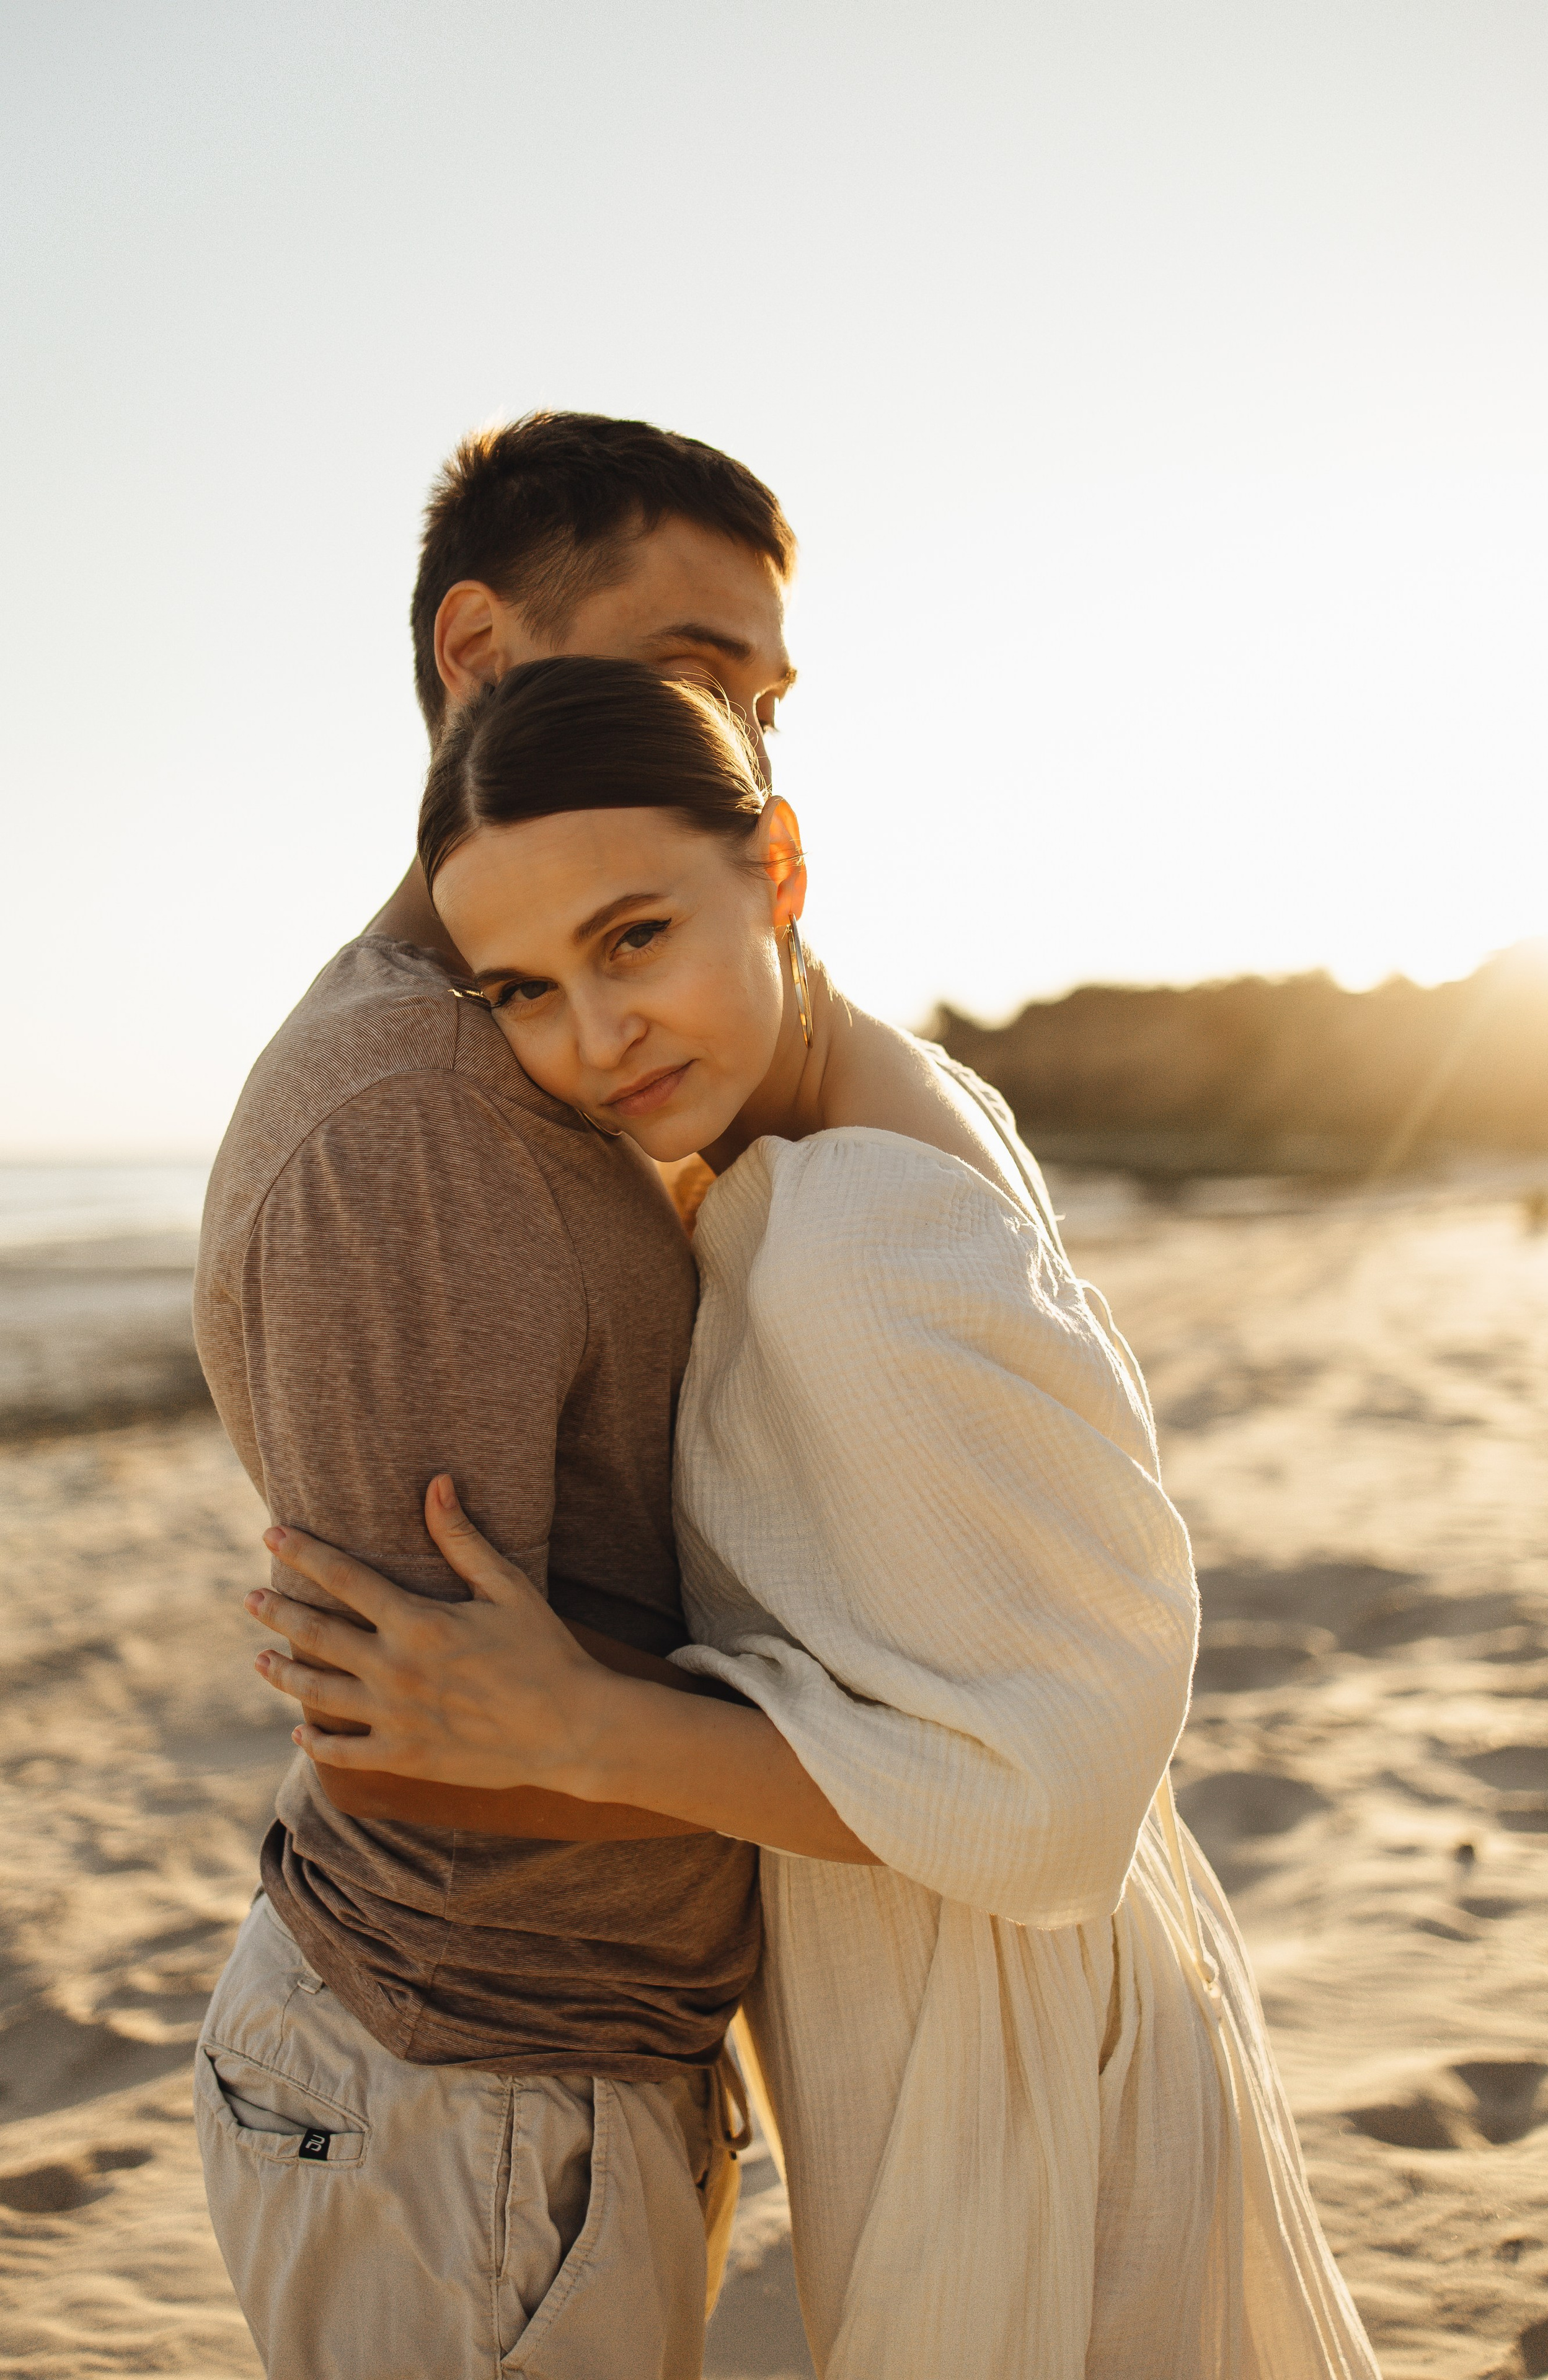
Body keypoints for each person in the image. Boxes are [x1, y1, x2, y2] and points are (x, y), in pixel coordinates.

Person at [245, 659, 1382, 2379]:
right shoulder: (872, 1101)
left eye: (637, 939)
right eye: (525, 990)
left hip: (996, 2042)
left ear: (778, 867)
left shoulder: (856, 1242)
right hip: (982, 2001)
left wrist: (584, 1728)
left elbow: (1060, 1793)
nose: (597, 1038)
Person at [191, 412, 802, 2380]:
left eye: (767, 698)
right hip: (466, 2095)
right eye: (698, 670)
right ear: (478, 654)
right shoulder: (417, 1118)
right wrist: (898, 1762)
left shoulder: (555, 1057)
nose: (748, 737)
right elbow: (412, 1738)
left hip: (554, 2070)